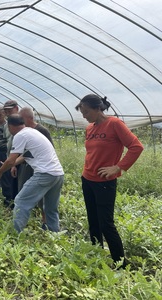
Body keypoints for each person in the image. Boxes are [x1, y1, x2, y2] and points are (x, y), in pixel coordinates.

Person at [75, 94, 144, 269]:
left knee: (106, 223)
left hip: (104, 182)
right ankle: (97, 253)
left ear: (98, 108)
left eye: (86, 112)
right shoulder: (90, 128)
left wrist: (118, 167)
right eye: (82, 112)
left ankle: (120, 262)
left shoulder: (114, 124)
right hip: (87, 178)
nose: (84, 116)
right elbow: (92, 152)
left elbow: (136, 147)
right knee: (93, 220)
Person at [0, 114, 64, 233]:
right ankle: (54, 234)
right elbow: (26, 155)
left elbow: (10, 161)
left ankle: (16, 233)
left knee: (21, 201)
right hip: (58, 174)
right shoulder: (31, 132)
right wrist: (12, 163)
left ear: (10, 126)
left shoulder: (20, 135)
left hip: (44, 174)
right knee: (51, 208)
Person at [19, 107, 54, 227]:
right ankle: (33, 218)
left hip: (41, 168)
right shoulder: (25, 131)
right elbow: (23, 150)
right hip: (27, 166)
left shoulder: (42, 130)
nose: (20, 122)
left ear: (30, 118)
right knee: (26, 191)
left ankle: (45, 221)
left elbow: (50, 149)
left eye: (22, 119)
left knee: (42, 195)